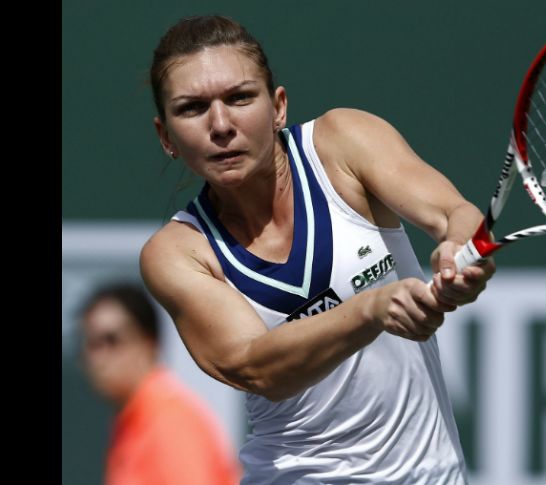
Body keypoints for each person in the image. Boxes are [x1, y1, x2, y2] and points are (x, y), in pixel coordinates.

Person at [140, 15, 496, 484]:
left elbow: (454, 213)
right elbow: (259, 368)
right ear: (166, 137)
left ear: (278, 107)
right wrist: (371, 308)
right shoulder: (177, 253)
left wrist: (459, 253)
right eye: (192, 108)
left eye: (240, 98)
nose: (221, 125)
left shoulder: (342, 142)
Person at [79, 282, 242, 485]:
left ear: (148, 342)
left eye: (112, 340)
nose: (98, 357)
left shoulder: (169, 420)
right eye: (91, 343)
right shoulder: (133, 419)